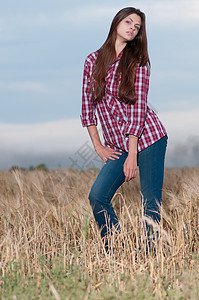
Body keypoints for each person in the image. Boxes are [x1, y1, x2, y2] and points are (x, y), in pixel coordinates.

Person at [81, 7, 167, 253]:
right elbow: (87, 107)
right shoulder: (92, 61)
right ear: (116, 22)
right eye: (128, 22)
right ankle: (118, 250)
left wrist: (132, 155)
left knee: (150, 201)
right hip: (117, 145)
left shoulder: (137, 61)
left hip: (149, 137)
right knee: (97, 196)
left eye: (137, 26)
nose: (132, 27)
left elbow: (138, 109)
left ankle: (150, 257)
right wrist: (98, 145)